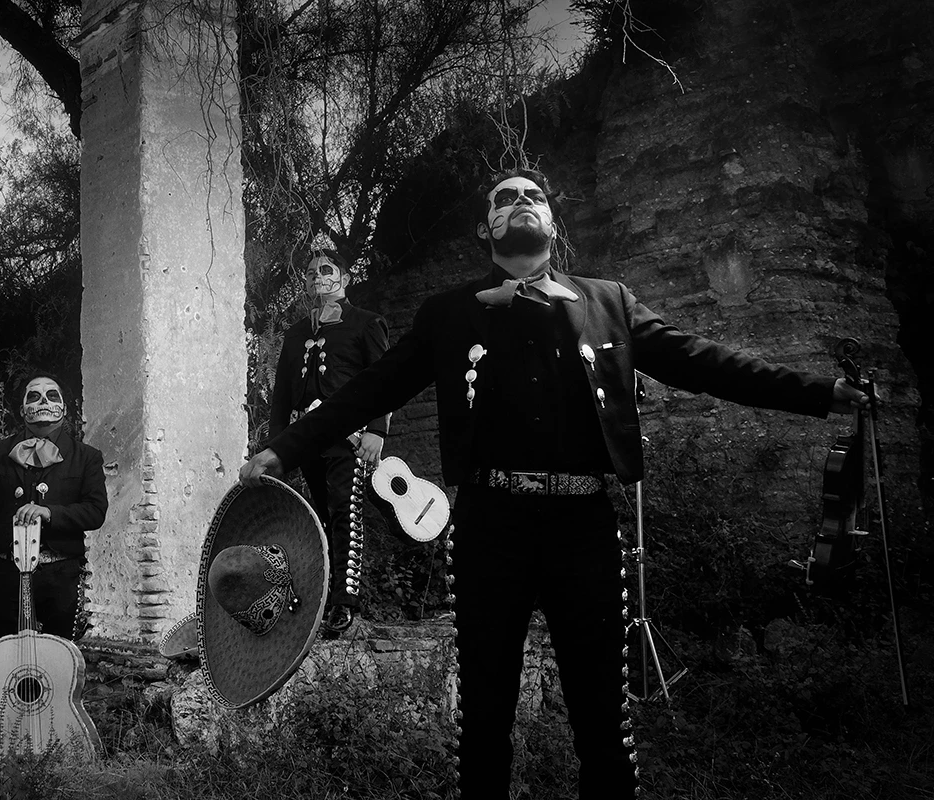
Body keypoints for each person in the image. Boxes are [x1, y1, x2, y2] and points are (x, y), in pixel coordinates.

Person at [240, 166, 869, 799]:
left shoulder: (608, 302)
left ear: (552, 222)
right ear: (485, 226)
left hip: (583, 528)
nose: (519, 203)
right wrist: (282, 448)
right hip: (490, 527)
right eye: (504, 199)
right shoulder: (449, 314)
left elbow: (703, 361)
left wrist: (820, 393)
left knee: (604, 721)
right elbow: (366, 393)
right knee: (484, 719)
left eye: (532, 196)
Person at [268, 249, 390, 636]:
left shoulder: (366, 324)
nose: (317, 277)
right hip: (307, 441)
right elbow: (282, 397)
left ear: (346, 277)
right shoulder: (296, 332)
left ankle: (345, 602)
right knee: (318, 517)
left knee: (344, 512)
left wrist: (377, 430)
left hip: (349, 438)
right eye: (310, 272)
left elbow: (385, 379)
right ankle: (321, 599)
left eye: (326, 269)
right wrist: (277, 449)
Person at [0, 372, 108, 642]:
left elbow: (96, 511)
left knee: (59, 656)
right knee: (8, 655)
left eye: (52, 396)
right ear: (21, 409)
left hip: (61, 573)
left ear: (64, 407)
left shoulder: (87, 457)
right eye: (34, 396)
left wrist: (50, 512)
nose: (43, 402)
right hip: (8, 574)